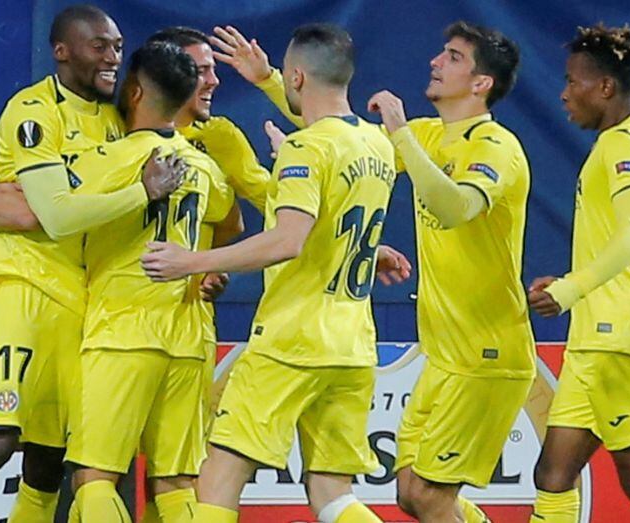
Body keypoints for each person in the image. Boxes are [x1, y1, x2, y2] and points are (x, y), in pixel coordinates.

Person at [216, 20, 535, 521]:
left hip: (486, 353)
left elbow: (453, 208)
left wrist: (403, 135)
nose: (435, 61)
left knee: (429, 497)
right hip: (443, 354)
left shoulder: (494, 146)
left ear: (481, 83)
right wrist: (269, 81)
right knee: (412, 494)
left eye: (452, 57)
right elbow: (340, 140)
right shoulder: (430, 135)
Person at [141, 23, 401, 523]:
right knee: (333, 494)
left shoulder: (307, 149)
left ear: (297, 76)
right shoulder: (377, 145)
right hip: (352, 345)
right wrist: (267, 80)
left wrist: (191, 261)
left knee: (218, 481)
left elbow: (287, 241)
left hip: (292, 341)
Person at [0, 6, 184, 522]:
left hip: (82, 296)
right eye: (99, 46)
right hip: (21, 282)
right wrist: (140, 191)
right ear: (62, 51)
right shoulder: (33, 112)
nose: (112, 57)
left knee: (48, 458)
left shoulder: (119, 123)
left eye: (117, 46)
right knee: (0, 438)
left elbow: (46, 210)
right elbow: (54, 214)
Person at [61, 40, 241, 523]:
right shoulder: (203, 166)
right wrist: (206, 265)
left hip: (123, 330)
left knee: (95, 479)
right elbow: (233, 223)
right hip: (188, 335)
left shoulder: (114, 158)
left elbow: (51, 210)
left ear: (135, 92)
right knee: (177, 483)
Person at [527, 23, 630, 523]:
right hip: (602, 333)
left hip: (617, 334)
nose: (564, 92)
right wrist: (570, 281)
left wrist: (571, 290)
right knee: (553, 474)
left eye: (573, 81)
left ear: (605, 86)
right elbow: (618, 238)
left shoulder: (623, 143)